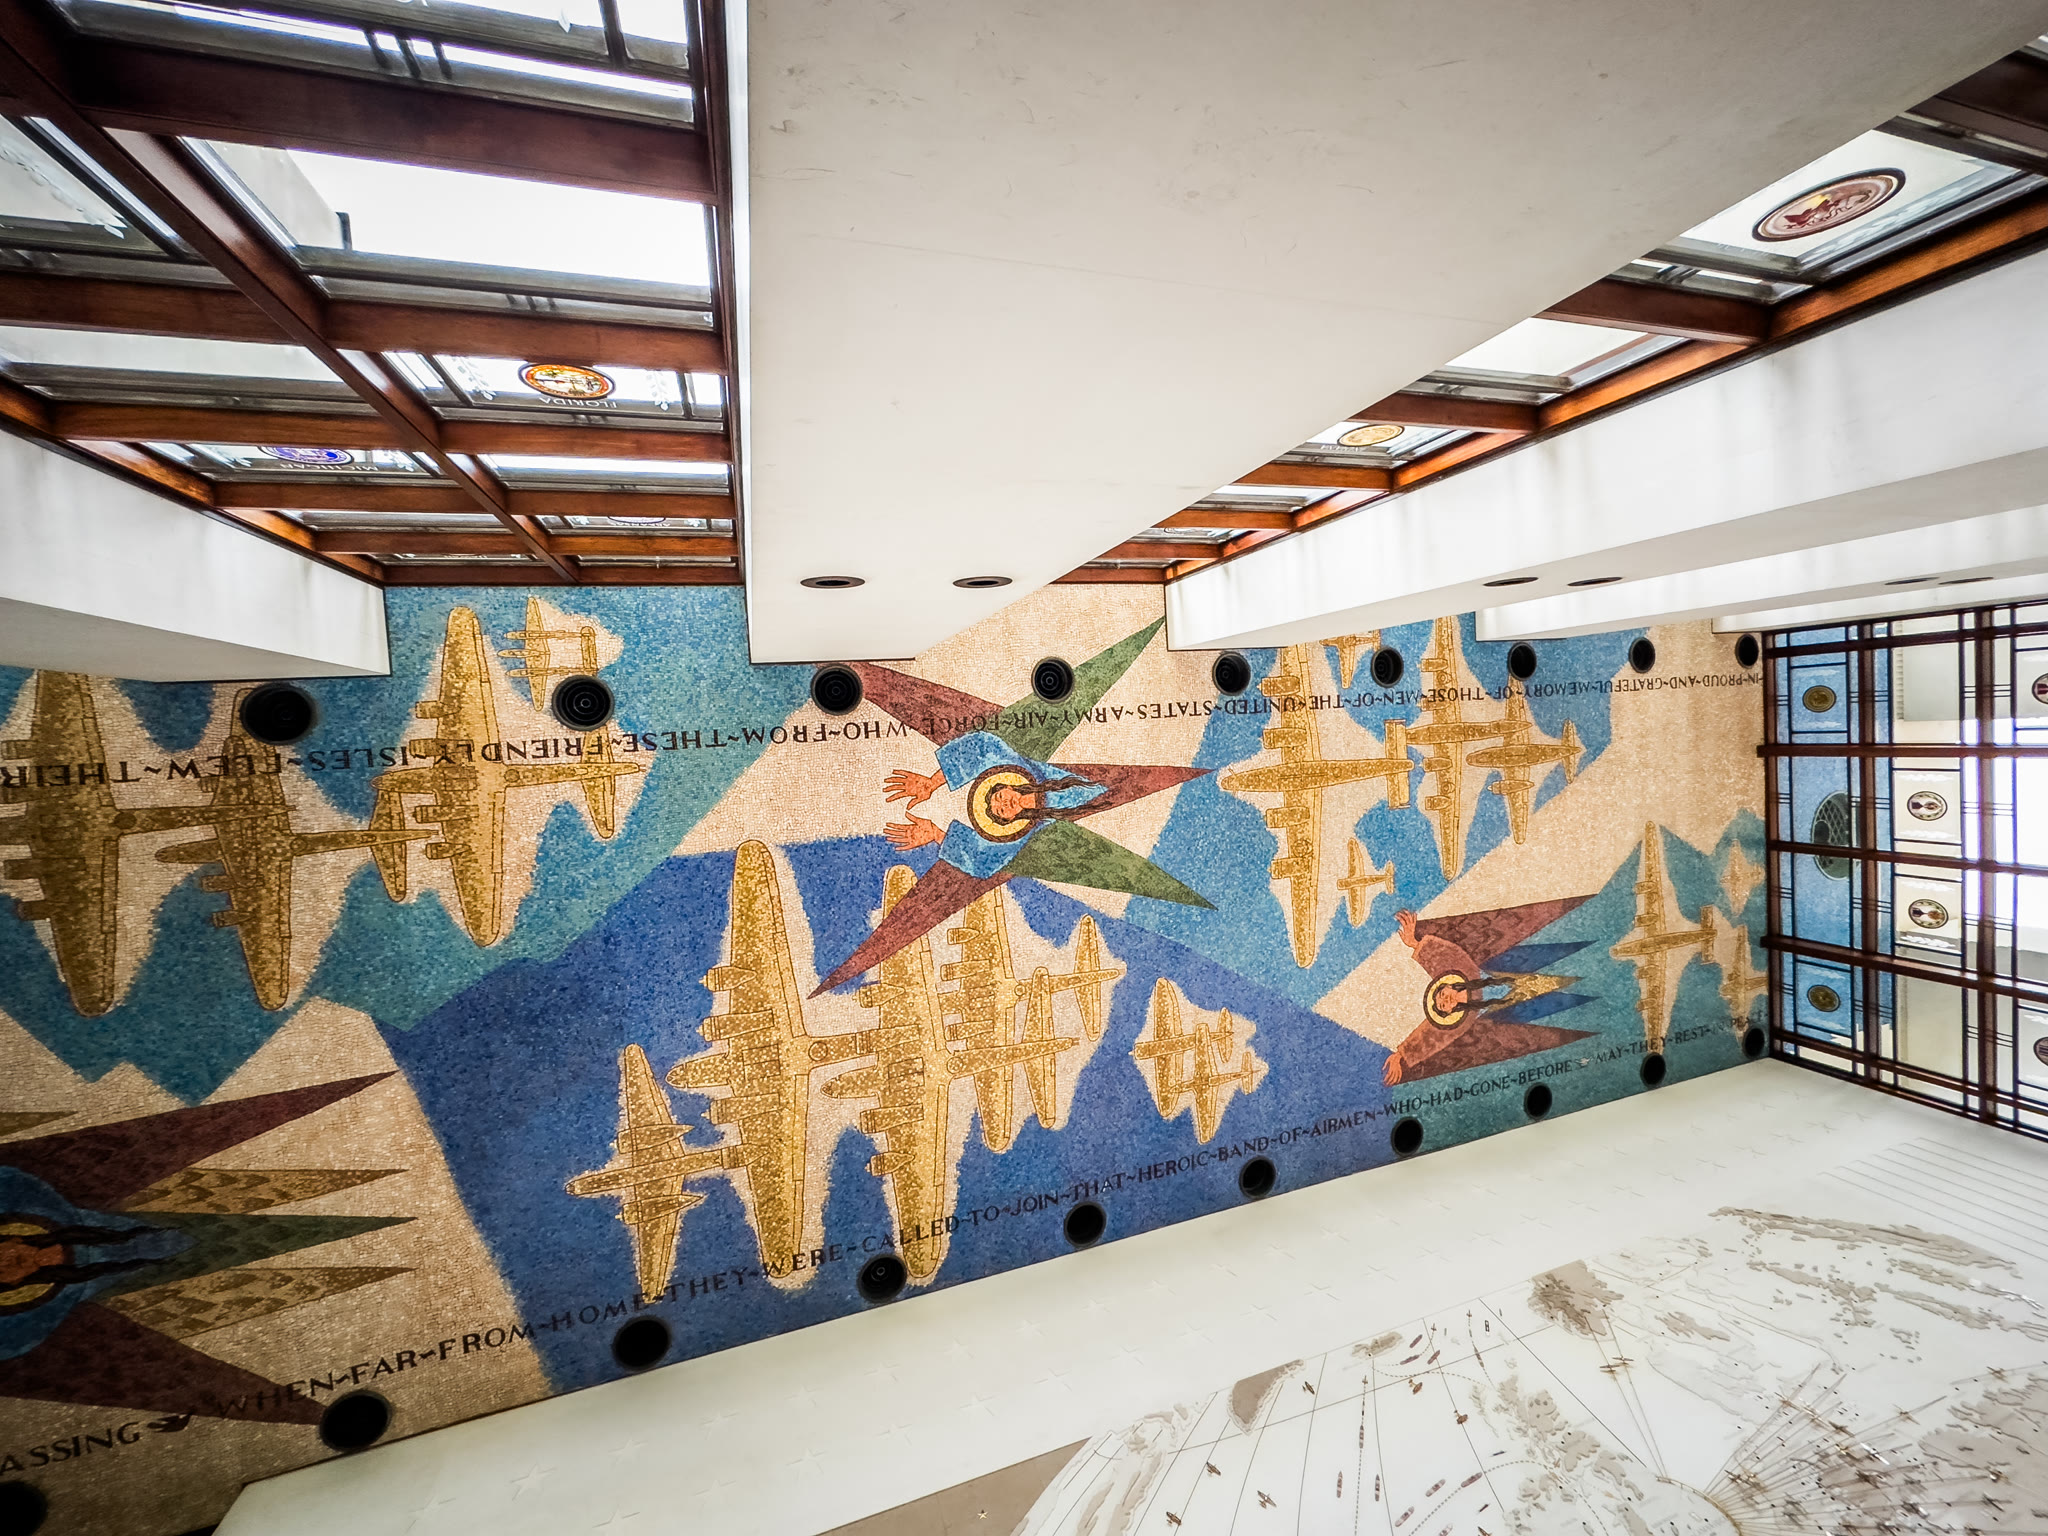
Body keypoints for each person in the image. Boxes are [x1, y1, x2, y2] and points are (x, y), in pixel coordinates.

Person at [882, 730, 1106, 879]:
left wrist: (932, 782)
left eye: (999, 796)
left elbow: (981, 746)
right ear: (1009, 820)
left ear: (1007, 785)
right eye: (1001, 811)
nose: (1004, 803)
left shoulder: (1009, 763)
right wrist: (935, 834)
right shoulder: (1017, 837)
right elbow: (980, 863)